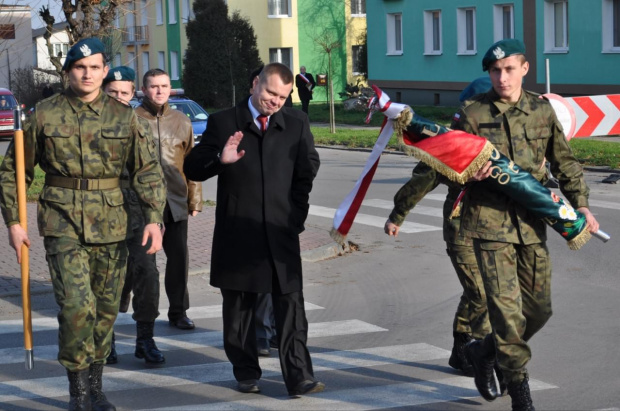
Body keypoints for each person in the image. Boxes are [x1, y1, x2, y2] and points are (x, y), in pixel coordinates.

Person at [0, 38, 166, 411]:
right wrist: (13, 221)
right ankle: (78, 394)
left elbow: (148, 170)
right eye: (80, 67)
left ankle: (96, 387)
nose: (87, 73)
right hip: (63, 224)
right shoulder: (43, 114)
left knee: (105, 310)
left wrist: (154, 219)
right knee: (76, 308)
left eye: (94, 67)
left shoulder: (126, 117)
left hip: (113, 223)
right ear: (68, 72)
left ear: (105, 71)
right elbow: (14, 171)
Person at [453, 39, 600, 410]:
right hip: (489, 227)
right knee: (506, 312)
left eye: (508, 69)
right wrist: (470, 174)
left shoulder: (541, 110)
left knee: (538, 311)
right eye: (494, 71)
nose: (502, 78)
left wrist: (581, 205)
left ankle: (483, 350)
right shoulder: (472, 114)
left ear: (524, 69)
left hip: (532, 225)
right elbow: (446, 169)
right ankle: (521, 395)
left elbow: (563, 162)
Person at [183, 62, 324, 396]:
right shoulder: (223, 122)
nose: (275, 101)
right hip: (238, 231)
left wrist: (296, 217)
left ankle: (299, 376)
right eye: (271, 93)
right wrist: (220, 158)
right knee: (240, 310)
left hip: (281, 230)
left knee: (290, 306)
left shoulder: (296, 123)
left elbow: (306, 171)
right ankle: (246, 371)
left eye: (283, 96)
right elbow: (192, 168)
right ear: (255, 84)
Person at [384, 161, 492, 378]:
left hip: (497, 228)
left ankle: (461, 349)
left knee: (479, 288)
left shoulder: (507, 135)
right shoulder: (458, 139)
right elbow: (425, 176)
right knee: (480, 291)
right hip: (462, 227)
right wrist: (398, 214)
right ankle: (483, 358)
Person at [102, 66, 166, 366]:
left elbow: (153, 174)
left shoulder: (138, 125)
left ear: (132, 95)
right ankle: (107, 341)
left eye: (123, 93)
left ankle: (145, 339)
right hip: (101, 214)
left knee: (148, 276)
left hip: (138, 214)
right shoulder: (91, 125)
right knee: (106, 281)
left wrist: (156, 217)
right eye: (112, 92)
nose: (118, 98)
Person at [135, 68, 203, 330]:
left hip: (175, 201)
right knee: (144, 265)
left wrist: (194, 199)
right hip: (144, 203)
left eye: (164, 86)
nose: (160, 91)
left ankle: (179, 312)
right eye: (154, 86)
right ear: (144, 89)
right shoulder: (133, 119)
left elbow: (191, 164)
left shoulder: (181, 121)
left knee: (179, 260)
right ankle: (144, 316)